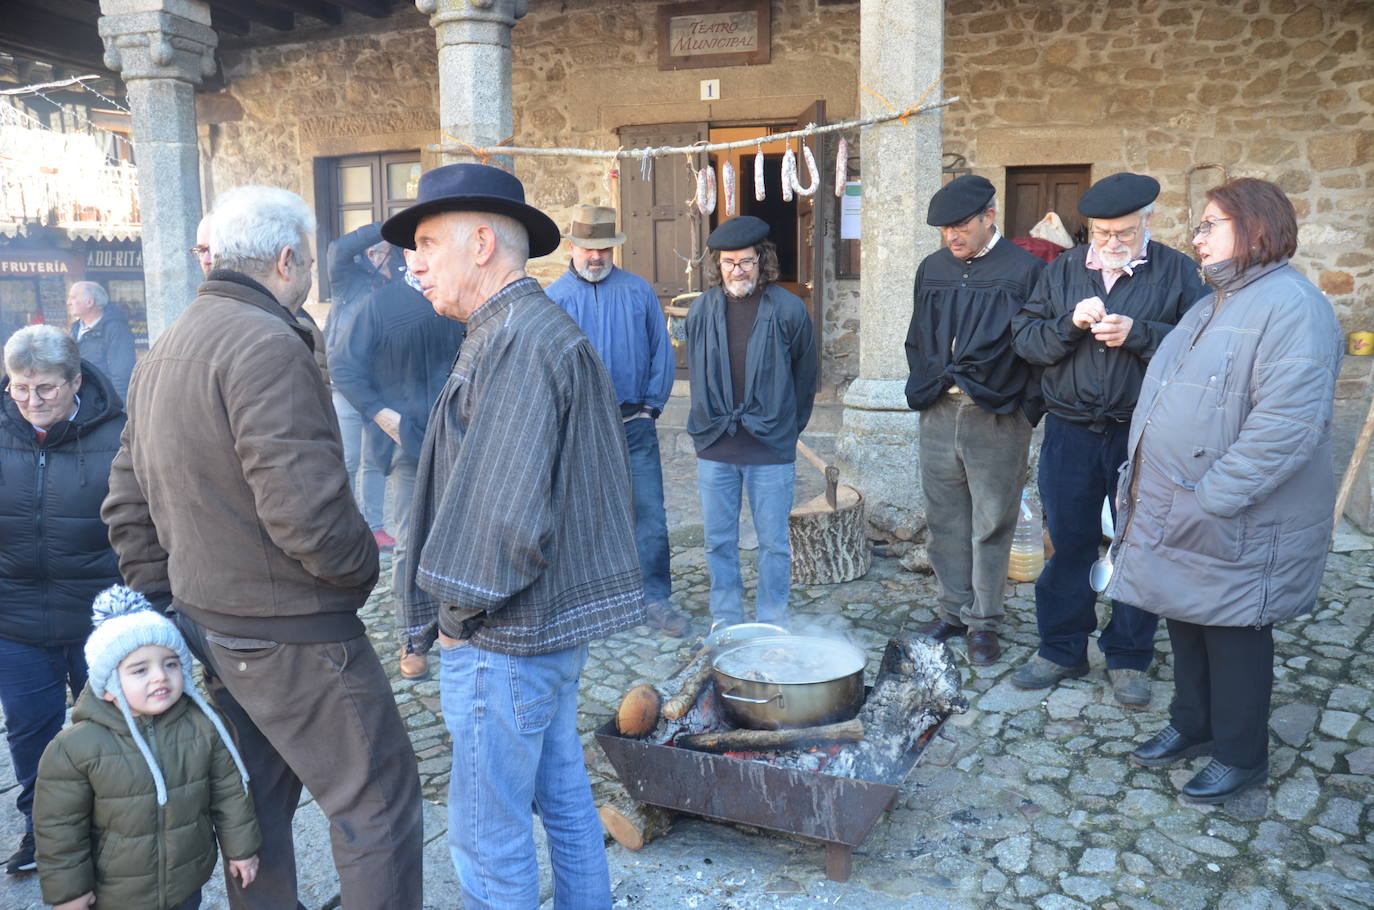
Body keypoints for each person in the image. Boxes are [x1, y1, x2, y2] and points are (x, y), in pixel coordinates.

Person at [101, 185, 423, 909]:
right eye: (304, 262)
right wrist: (358, 575)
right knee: (378, 801)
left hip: (213, 623)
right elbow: (307, 515)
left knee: (255, 806)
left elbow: (125, 502)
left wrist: (170, 601)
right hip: (292, 630)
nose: (308, 274)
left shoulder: (168, 345)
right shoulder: (266, 344)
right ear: (284, 260)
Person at [387, 163, 644, 908]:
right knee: (563, 803)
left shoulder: (521, 342)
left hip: (507, 640)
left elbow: (506, 519)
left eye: (429, 242)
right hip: (537, 637)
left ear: (480, 243)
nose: (416, 263)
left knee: (486, 837)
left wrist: (455, 620)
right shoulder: (511, 330)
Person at [1109, 178, 1342, 804]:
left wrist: (1212, 496)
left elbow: (1286, 429)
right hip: (1183, 505)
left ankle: (1242, 755)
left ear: (1256, 227)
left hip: (1236, 515)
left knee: (1235, 629)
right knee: (1186, 617)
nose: (1198, 234)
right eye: (1200, 224)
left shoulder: (1292, 306)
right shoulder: (1215, 301)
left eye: (1212, 223)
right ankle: (1193, 725)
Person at [1010, 173, 1207, 704]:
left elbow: (1203, 349)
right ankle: (1061, 649)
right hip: (1069, 432)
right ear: (1089, 229)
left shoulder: (1178, 271)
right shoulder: (1064, 271)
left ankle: (1128, 657)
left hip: (1142, 436)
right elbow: (1027, 340)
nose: (1113, 242)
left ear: (1147, 223)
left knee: (1137, 546)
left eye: (1124, 231)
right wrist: (1069, 324)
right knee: (1070, 544)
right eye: (1102, 232)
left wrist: (1140, 334)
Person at [34, 586, 261, 910]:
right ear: (109, 685)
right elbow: (59, 829)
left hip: (186, 881)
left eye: (171, 664)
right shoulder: (76, 748)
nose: (160, 676)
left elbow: (229, 792)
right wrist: (70, 891)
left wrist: (242, 849)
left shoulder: (204, 726)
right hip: (114, 893)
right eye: (140, 670)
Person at [0, 325, 125, 876]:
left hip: (101, 617)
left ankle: (120, 830)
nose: (31, 401)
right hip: (16, 619)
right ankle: (42, 831)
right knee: (32, 737)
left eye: (45, 388)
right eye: (19, 388)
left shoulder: (118, 432)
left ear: (76, 381)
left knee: (112, 733)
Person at [906, 175, 1045, 665]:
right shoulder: (932, 268)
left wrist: (1027, 408)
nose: (952, 237)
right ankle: (951, 611)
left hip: (998, 415)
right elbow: (918, 336)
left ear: (990, 216)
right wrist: (924, 386)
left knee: (991, 522)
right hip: (939, 411)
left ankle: (984, 622)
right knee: (944, 518)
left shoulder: (1025, 269)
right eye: (945, 229)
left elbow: (1039, 348)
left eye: (961, 226)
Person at [547, 203, 686, 638]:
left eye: (604, 249)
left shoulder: (638, 291)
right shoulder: (553, 299)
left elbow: (660, 352)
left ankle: (654, 598)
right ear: (572, 247)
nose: (596, 257)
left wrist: (651, 406)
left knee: (648, 513)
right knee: (580, 515)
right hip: (578, 429)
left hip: (633, 423)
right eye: (588, 248)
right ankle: (589, 600)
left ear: (613, 249)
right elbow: (545, 364)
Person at [332, 243, 467, 680]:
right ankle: (414, 635)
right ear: (403, 256)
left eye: (432, 245)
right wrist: (381, 414)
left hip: (462, 442)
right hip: (407, 446)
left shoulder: (459, 297)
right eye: (415, 248)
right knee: (410, 541)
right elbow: (345, 368)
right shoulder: (380, 304)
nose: (423, 257)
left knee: (460, 537)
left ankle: (458, 624)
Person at [686, 215, 817, 631]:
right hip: (716, 445)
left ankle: (771, 619)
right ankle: (725, 618)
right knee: (718, 541)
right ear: (717, 265)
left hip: (770, 448)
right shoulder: (702, 310)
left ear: (762, 261)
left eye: (745, 261)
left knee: (775, 545)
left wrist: (785, 429)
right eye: (728, 262)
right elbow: (699, 374)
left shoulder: (789, 309)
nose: (736, 270)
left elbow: (806, 376)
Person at [326, 222, 399, 551]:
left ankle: (374, 526)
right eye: (387, 252)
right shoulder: (348, 280)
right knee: (348, 458)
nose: (392, 258)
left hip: (380, 389)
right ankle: (342, 527)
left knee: (374, 460)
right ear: (371, 254)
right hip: (346, 387)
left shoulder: (392, 286)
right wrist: (385, 227)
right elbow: (338, 249)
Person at [66, 281, 135, 403]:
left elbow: (122, 375)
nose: (68, 303)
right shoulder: (75, 329)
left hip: (105, 402)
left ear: (90, 302)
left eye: (73, 298)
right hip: (83, 400)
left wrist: (120, 408)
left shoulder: (115, 328)